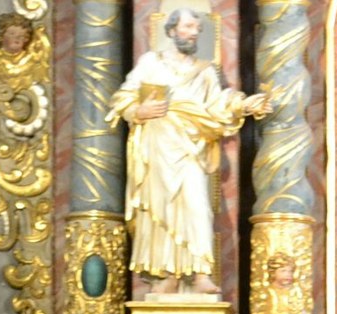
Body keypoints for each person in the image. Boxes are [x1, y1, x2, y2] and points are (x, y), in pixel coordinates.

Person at [108, 7, 270, 293]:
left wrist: (245, 105)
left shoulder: (205, 71)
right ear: (171, 31)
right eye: (188, 27)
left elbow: (219, 103)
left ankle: (200, 272)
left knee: (197, 207)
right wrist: (139, 110)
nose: (194, 33)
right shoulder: (150, 63)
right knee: (163, 211)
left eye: (197, 29)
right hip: (157, 149)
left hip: (191, 149)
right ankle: (168, 274)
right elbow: (123, 97)